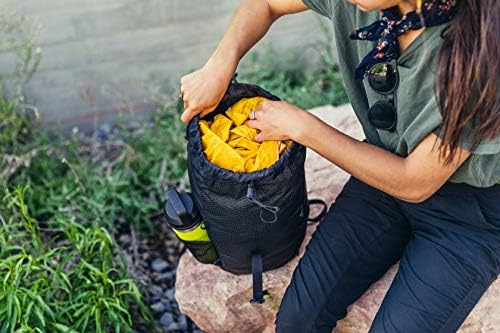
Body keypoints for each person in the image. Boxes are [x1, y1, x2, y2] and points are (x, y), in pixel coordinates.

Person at [178, 0, 500, 332]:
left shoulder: (484, 48)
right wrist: (221, 63)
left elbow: (414, 183)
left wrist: (303, 127)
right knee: (297, 320)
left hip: (469, 219)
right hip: (380, 176)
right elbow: (267, 3)